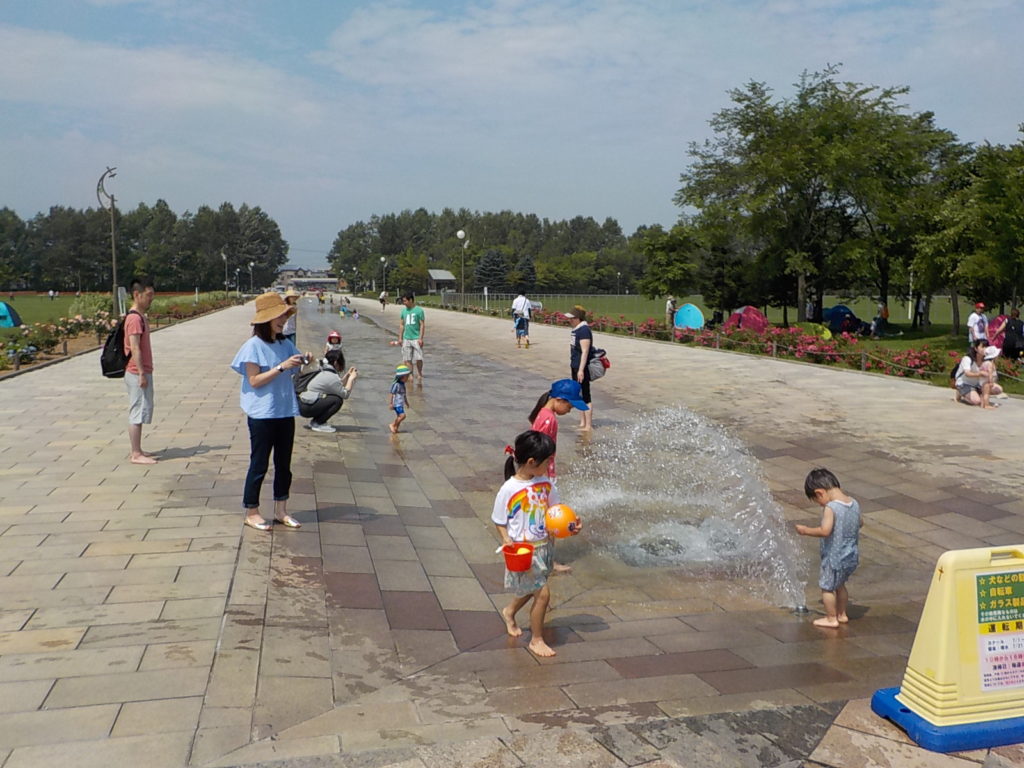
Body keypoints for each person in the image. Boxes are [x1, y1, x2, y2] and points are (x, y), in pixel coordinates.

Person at [230, 292, 307, 531]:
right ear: (265, 320)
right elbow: (254, 380)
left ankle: (281, 510)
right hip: (262, 414)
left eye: (284, 316)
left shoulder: (284, 343)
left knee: (284, 463)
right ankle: (252, 511)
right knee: (259, 463)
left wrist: (302, 361)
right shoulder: (253, 346)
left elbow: (293, 367)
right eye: (278, 317)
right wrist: (281, 367)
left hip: (284, 410)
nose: (282, 321)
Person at [492, 430, 561, 657]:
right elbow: (499, 520)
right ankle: (536, 640)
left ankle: (509, 611)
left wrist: (570, 525)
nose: (550, 465)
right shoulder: (509, 489)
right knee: (542, 594)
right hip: (524, 550)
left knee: (532, 589)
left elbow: (555, 511)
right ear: (532, 462)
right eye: (547, 461)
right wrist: (505, 538)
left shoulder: (546, 484)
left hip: (544, 546)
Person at [528, 379, 588, 574]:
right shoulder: (549, 419)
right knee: (550, 520)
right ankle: (547, 562)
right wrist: (541, 477)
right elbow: (538, 451)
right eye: (569, 405)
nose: (570, 410)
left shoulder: (543, 414)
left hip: (542, 474)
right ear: (559, 400)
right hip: (543, 476)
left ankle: (544, 559)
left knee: (544, 519)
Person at [795, 467, 862, 629]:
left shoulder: (831, 508)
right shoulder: (853, 503)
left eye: (817, 501)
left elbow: (825, 531)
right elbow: (860, 523)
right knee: (840, 585)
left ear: (820, 493)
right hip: (850, 554)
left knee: (827, 588)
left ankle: (831, 618)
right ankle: (842, 614)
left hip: (834, 556)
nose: (820, 505)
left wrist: (805, 530)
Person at [124, 276, 156, 465]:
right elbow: (134, 347)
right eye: (148, 295)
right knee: (137, 410)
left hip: (139, 370)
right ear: (137, 294)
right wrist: (142, 373)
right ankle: (135, 453)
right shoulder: (135, 319)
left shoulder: (138, 317)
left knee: (141, 409)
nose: (151, 299)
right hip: (136, 371)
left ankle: (138, 449)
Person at [298, 348, 359, 433]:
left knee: (334, 396)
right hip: (306, 407)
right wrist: (351, 379)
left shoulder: (321, 366)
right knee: (337, 400)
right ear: (336, 362)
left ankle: (316, 421)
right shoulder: (331, 376)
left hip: (301, 402)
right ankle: (318, 423)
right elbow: (345, 394)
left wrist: (347, 376)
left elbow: (337, 385)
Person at [563, 305, 594, 431]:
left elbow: (585, 351)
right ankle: (582, 422)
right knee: (578, 394)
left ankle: (588, 425)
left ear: (578, 318)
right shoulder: (576, 330)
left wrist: (581, 370)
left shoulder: (584, 330)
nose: (569, 320)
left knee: (585, 395)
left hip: (582, 368)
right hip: (575, 366)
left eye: (572, 318)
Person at [955, 339, 997, 409]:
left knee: (997, 389)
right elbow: (967, 373)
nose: (984, 349)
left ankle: (979, 394)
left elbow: (992, 375)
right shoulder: (968, 359)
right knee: (976, 401)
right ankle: (960, 392)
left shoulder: (987, 360)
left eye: (986, 347)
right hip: (964, 383)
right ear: (976, 348)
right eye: (982, 347)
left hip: (978, 384)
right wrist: (980, 374)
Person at [399, 291, 426, 382]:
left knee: (419, 358)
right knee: (407, 358)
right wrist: (400, 338)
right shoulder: (403, 311)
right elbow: (402, 325)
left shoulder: (419, 310)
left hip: (416, 338)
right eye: (403, 301)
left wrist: (421, 338)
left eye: (405, 301)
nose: (404, 303)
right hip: (406, 338)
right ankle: (410, 374)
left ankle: (419, 373)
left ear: (411, 300)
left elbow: (422, 324)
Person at [389, 363, 411, 433]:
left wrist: (406, 402)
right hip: (396, 404)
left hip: (400, 403)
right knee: (402, 416)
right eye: (406, 377)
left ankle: (396, 428)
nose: (407, 379)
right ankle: (392, 424)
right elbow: (392, 393)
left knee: (399, 416)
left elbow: (404, 395)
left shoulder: (403, 385)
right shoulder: (396, 385)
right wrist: (391, 403)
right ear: (402, 377)